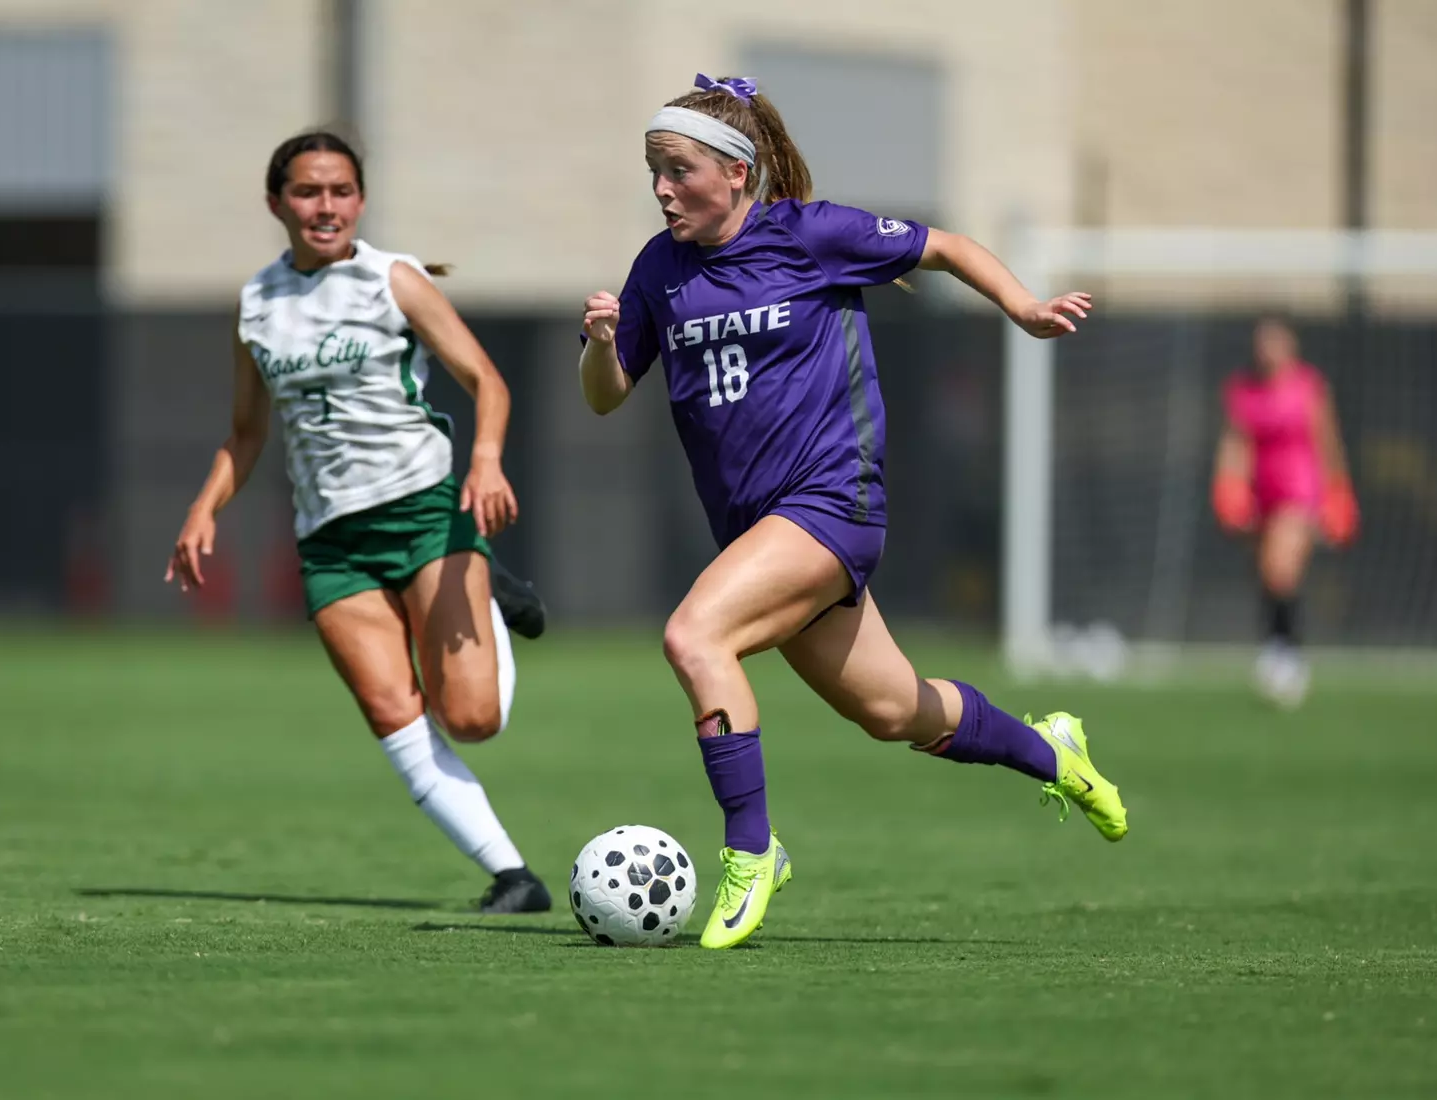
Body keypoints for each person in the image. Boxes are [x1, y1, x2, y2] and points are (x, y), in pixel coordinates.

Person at [578, 73, 1128, 950]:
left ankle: (752, 853)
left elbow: (944, 246)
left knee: (695, 636)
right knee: (894, 712)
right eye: (654, 170)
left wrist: (1022, 305)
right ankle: (1054, 751)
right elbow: (605, 398)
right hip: (763, 532)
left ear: (736, 172)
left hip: (835, 500)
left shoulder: (810, 234)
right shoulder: (658, 269)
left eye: (678, 170)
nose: (662, 189)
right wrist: (604, 347)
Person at [167, 130, 551, 913]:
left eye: (341, 190)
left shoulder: (393, 280)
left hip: (423, 511)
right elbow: (247, 434)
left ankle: (490, 591)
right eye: (308, 192)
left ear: (361, 200)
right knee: (390, 710)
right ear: (276, 203)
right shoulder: (257, 302)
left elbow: (486, 380)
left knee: (472, 720)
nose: (326, 206)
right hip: (331, 541)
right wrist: (204, 508)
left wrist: (485, 461)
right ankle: (514, 876)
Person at [1213, 318, 1358, 707]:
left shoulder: (1308, 386)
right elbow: (1236, 443)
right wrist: (1229, 487)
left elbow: (1326, 439)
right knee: (1267, 575)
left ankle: (1288, 655)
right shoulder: (1243, 391)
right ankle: (1279, 646)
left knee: (1281, 568)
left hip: (1299, 489)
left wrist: (1338, 491)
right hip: (1263, 492)